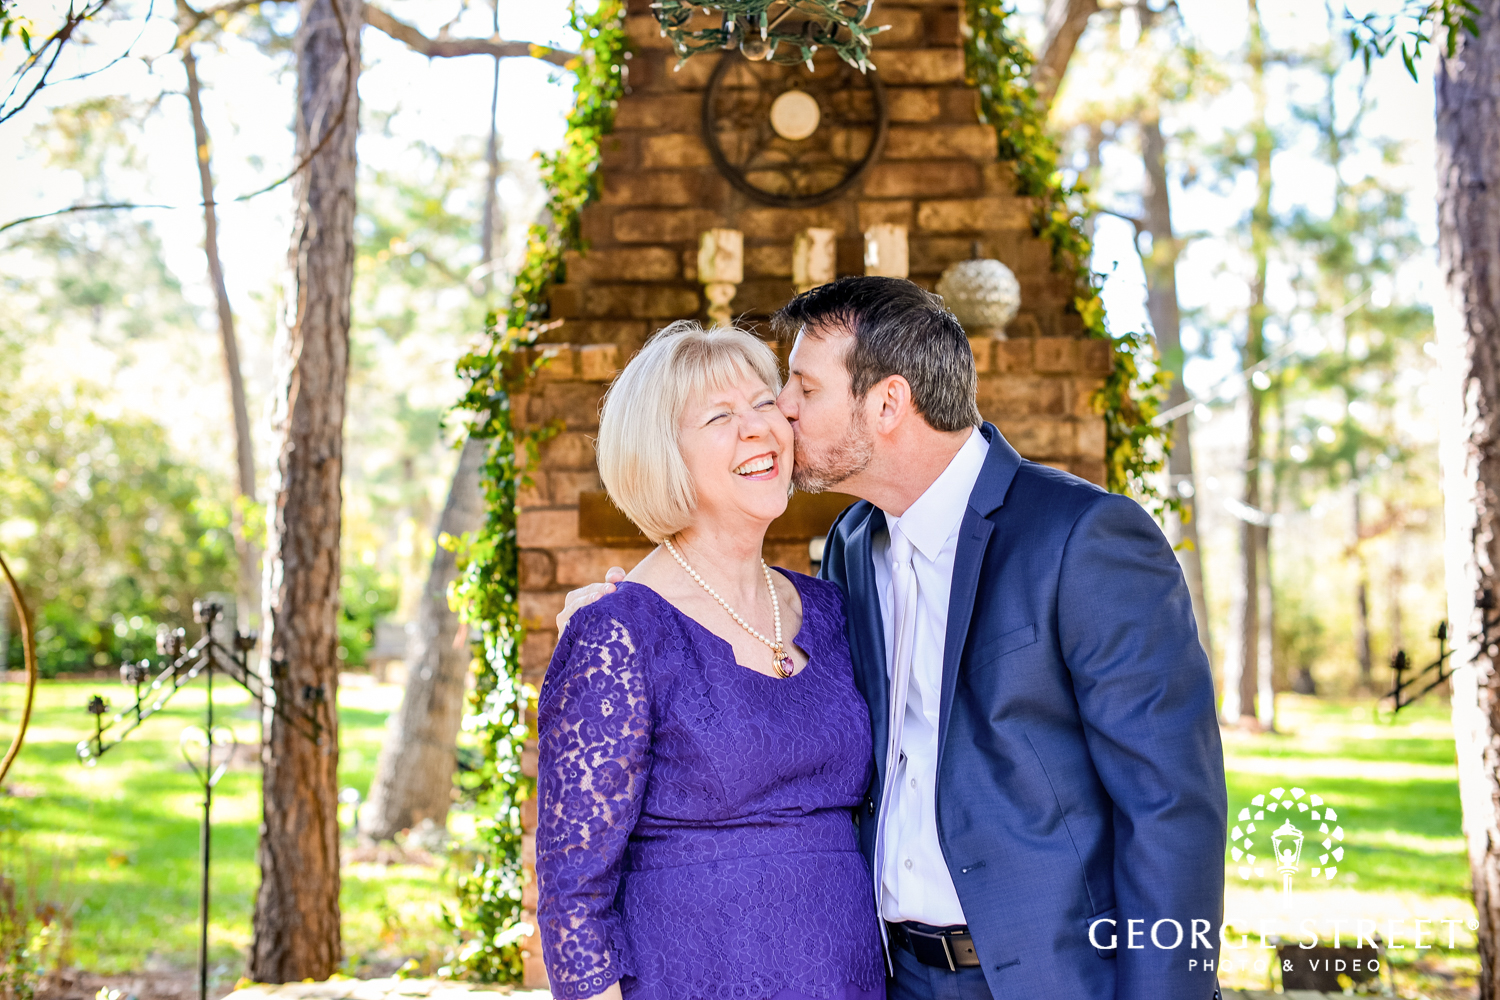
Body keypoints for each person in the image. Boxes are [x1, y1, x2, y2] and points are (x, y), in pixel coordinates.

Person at [560, 277, 1228, 1000]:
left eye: (802, 390)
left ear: (887, 403)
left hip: (1052, 976)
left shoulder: (1081, 536)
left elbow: (1171, 808)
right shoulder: (852, 547)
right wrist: (619, 620)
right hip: (889, 976)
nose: (782, 410)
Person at [534, 320, 886, 1000]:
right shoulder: (617, 630)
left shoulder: (833, 609)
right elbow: (573, 892)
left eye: (764, 403)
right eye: (719, 416)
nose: (758, 427)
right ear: (661, 456)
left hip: (849, 978)